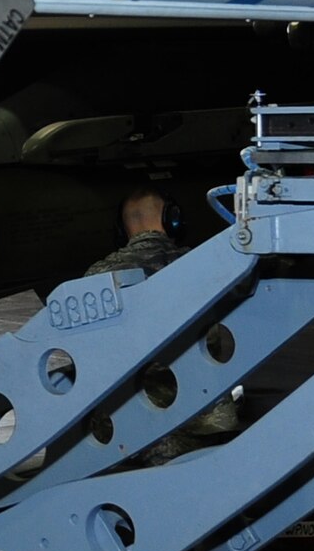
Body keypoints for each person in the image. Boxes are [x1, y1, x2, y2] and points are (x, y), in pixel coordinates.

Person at [87, 187, 239, 462]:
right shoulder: (202, 265)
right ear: (173, 220)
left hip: (127, 425)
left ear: (123, 229)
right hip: (203, 416)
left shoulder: (96, 277)